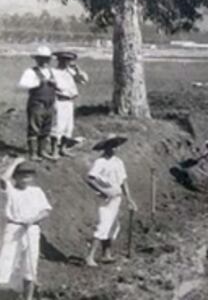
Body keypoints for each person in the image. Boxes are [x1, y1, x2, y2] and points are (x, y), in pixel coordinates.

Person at [0, 159, 51, 300]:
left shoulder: (37, 191)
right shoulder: (10, 190)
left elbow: (45, 211)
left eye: (28, 174)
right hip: (14, 228)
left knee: (30, 266)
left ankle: (28, 298)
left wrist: (33, 219)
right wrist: (15, 162)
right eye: (21, 174)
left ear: (33, 177)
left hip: (32, 229)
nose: (25, 177)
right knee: (4, 264)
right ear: (15, 176)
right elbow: (3, 178)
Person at [85, 134, 136, 267]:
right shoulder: (100, 162)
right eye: (112, 145)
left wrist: (129, 199)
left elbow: (124, 181)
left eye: (116, 146)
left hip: (117, 197)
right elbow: (90, 178)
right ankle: (90, 257)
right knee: (103, 225)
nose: (115, 148)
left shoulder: (118, 162)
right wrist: (103, 190)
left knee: (113, 226)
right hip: (105, 199)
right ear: (106, 147)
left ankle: (106, 254)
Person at [17, 47, 59, 161]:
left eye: (47, 59)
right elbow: (22, 84)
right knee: (34, 127)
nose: (45, 61)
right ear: (37, 59)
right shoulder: (30, 72)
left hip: (50, 103)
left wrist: (55, 84)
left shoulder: (51, 72)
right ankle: (33, 153)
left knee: (47, 128)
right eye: (42, 58)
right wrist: (39, 82)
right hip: (37, 103)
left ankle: (43, 151)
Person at [50, 51, 88, 158]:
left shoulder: (71, 72)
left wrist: (77, 69)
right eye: (64, 60)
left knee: (68, 126)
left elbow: (84, 80)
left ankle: (63, 148)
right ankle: (54, 150)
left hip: (69, 101)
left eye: (69, 60)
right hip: (59, 100)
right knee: (58, 126)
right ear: (59, 60)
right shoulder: (53, 72)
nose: (66, 62)